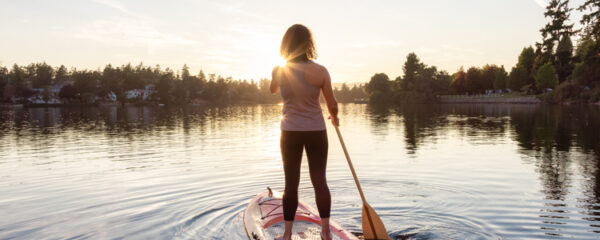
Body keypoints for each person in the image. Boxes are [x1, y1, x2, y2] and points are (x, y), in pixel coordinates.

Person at [270, 24, 339, 240]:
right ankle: (326, 232)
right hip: (316, 130)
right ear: (309, 44)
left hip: (290, 132)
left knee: (291, 184)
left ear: (286, 45)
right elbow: (332, 104)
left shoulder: (280, 69)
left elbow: (273, 89)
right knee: (320, 181)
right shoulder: (321, 71)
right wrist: (334, 116)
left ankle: (287, 234)